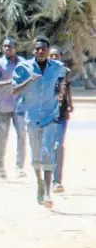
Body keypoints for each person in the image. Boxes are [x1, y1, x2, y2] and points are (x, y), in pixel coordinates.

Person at [12, 36, 66, 209]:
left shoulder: (57, 67)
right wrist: (29, 80)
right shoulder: (23, 67)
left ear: (49, 50)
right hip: (32, 117)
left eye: (43, 49)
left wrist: (60, 90)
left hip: (50, 116)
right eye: (37, 49)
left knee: (47, 153)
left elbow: (63, 78)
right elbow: (14, 91)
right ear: (33, 50)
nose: (40, 51)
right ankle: (40, 184)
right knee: (36, 157)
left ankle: (48, 192)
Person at [0, 38, 27, 179]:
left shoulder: (23, 64)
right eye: (5, 46)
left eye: (10, 46)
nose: (7, 49)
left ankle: (20, 167)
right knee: (3, 135)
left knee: (22, 135)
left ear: (16, 48)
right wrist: (8, 83)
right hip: (3, 105)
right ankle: (0, 166)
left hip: (20, 105)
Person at [49, 46, 73, 193]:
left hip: (61, 113)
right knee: (47, 147)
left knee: (58, 146)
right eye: (51, 56)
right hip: (46, 114)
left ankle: (57, 181)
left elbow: (67, 88)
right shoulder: (43, 71)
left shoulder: (65, 72)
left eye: (56, 55)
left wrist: (70, 103)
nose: (54, 58)